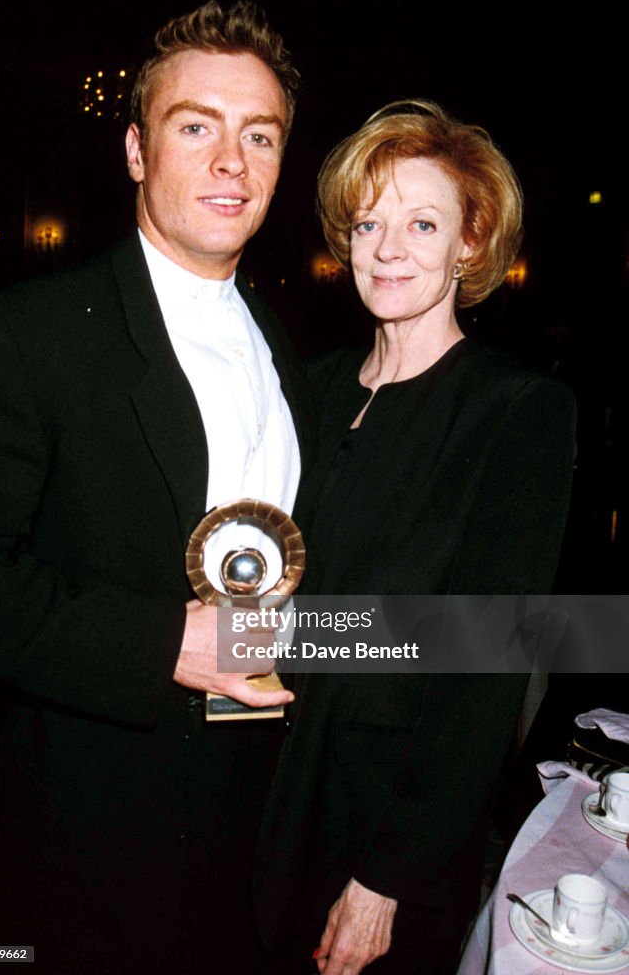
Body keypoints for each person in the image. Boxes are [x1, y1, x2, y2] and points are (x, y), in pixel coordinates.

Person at [0, 0, 313, 973]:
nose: (231, 161)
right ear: (135, 151)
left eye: (259, 135)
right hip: (98, 833)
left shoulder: (288, 344)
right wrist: (167, 641)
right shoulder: (22, 336)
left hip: (262, 814)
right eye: (196, 126)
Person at [255, 100, 576, 974]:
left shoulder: (516, 411)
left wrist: (386, 876)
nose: (389, 248)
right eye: (369, 223)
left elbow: (485, 667)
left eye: (422, 222)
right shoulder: (305, 392)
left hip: (383, 823)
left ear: (469, 241)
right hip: (258, 790)